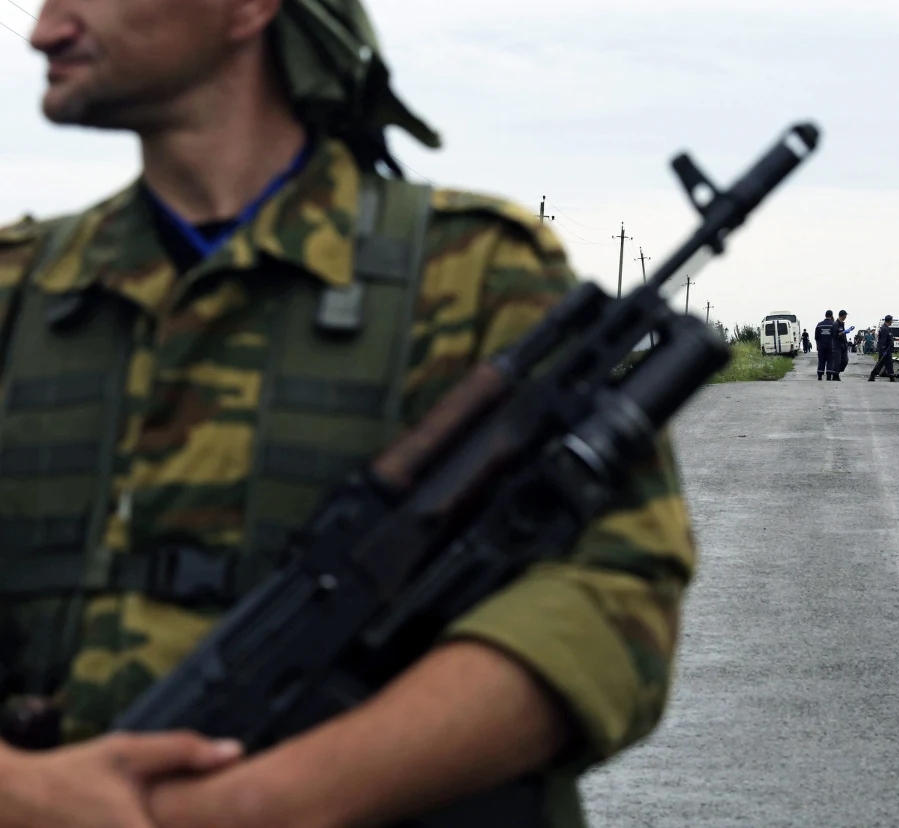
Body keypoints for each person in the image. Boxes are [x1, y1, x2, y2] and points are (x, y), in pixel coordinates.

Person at [0, 1, 696, 826]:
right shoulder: (19, 296)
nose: (45, 30)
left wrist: (267, 804)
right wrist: (28, 793)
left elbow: (612, 590)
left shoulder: (471, 273)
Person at [867, 315, 897, 382]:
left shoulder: (886, 328)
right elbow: (882, 340)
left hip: (887, 349)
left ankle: (873, 375)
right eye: (891, 320)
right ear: (889, 321)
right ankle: (891, 377)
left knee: (883, 363)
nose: (892, 322)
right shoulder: (884, 329)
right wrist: (883, 350)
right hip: (885, 349)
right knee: (887, 363)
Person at [814, 310, 836, 379]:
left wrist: (817, 345)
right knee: (830, 360)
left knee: (821, 360)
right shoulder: (833, 324)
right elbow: (835, 336)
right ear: (832, 315)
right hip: (831, 346)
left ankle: (820, 375)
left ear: (825, 315)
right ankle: (828, 375)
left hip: (821, 346)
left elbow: (816, 337)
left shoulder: (819, 325)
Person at [833, 309, 851, 378]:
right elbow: (835, 335)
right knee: (837, 361)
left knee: (845, 361)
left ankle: (838, 371)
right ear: (842, 316)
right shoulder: (835, 324)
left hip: (843, 345)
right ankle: (835, 375)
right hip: (837, 346)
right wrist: (843, 332)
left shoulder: (842, 324)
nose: (846, 317)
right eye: (845, 316)